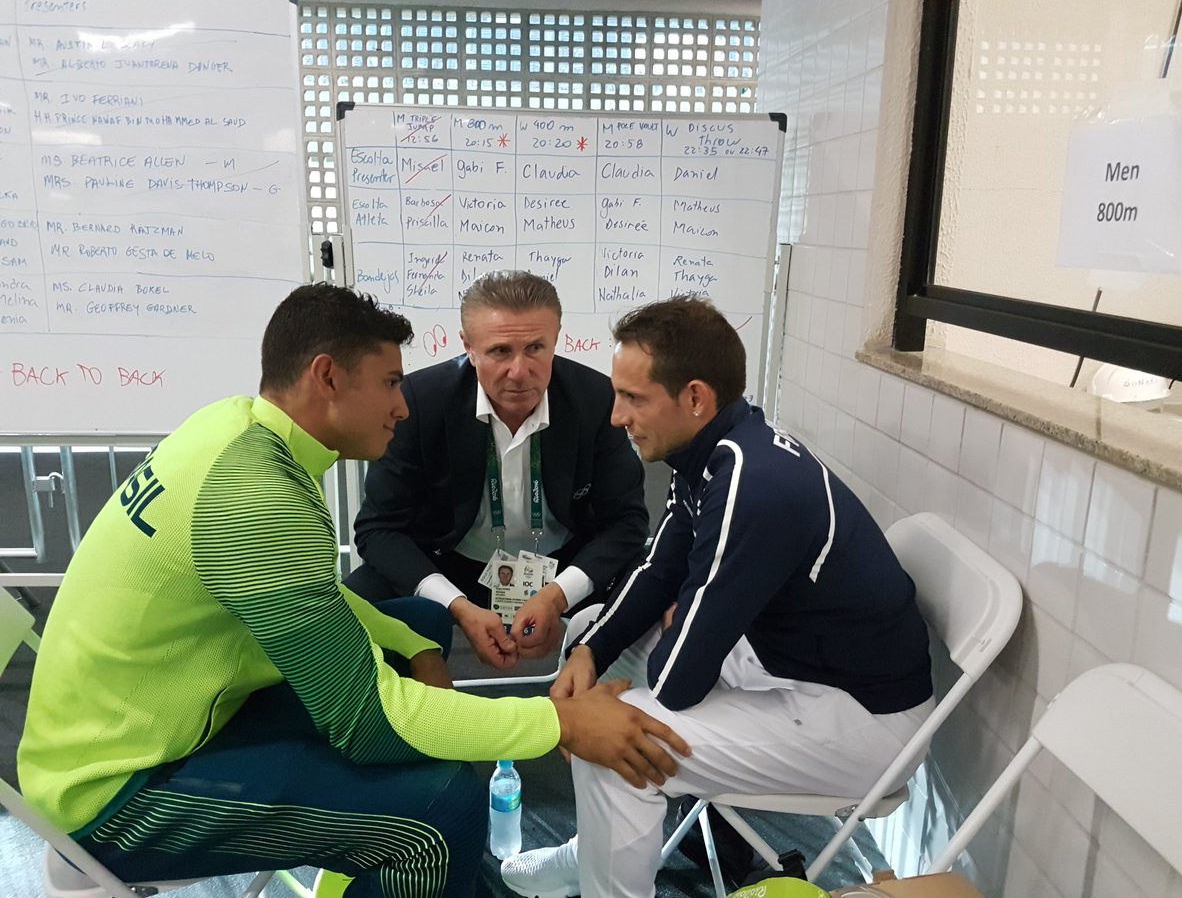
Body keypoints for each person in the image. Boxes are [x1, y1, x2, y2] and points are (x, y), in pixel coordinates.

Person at [17, 284, 689, 898]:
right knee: (439, 816)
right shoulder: (255, 497)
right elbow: (365, 722)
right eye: (390, 383)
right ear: (328, 378)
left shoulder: (233, 429)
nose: (402, 404)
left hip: (170, 714)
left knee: (412, 625)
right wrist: (561, 723)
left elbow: (318, 594)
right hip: (114, 794)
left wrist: (415, 643)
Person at [501, 297, 934, 898]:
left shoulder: (751, 485)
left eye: (633, 398)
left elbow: (678, 680)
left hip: (863, 722)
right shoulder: (717, 447)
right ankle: (594, 852)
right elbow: (658, 572)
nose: (616, 417)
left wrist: (631, 680)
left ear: (696, 398)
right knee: (597, 636)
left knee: (617, 741)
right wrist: (590, 656)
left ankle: (604, 876)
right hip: (797, 665)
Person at [347, 270, 649, 669]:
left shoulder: (595, 399)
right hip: (449, 566)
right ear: (469, 349)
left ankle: (622, 710)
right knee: (353, 605)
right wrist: (455, 605)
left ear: (556, 338)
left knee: (654, 589)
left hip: (563, 565)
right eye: (500, 351)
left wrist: (559, 595)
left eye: (536, 348)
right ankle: (390, 719)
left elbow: (626, 523)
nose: (520, 371)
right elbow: (377, 529)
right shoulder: (419, 402)